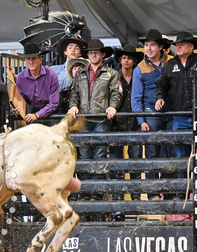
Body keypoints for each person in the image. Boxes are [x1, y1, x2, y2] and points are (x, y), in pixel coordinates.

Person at [68, 39, 122, 200]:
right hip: (84, 119)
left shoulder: (111, 73)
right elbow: (74, 93)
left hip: (101, 119)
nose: (93, 55)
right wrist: (73, 106)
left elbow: (116, 93)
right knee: (84, 156)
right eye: (90, 52)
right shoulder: (80, 74)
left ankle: (96, 193)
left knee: (99, 155)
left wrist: (113, 106)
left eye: (96, 52)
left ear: (102, 54)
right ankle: (85, 192)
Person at [156, 31, 197, 176]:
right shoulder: (170, 65)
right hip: (180, 115)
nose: (178, 47)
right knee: (180, 154)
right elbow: (162, 85)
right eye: (177, 45)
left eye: (182, 45)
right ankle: (184, 189)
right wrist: (160, 97)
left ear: (191, 46)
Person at [131, 29, 174, 200]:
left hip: (171, 113)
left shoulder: (171, 63)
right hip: (151, 114)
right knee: (151, 152)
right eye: (146, 45)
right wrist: (141, 120)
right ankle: (152, 192)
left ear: (161, 47)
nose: (148, 48)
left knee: (169, 151)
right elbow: (136, 98)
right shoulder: (139, 69)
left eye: (152, 45)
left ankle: (169, 190)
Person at [111, 45, 144, 201]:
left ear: (134, 61)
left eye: (130, 58)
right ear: (120, 60)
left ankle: (136, 194)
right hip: (117, 123)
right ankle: (118, 195)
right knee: (117, 160)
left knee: (135, 159)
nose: (127, 60)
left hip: (135, 123)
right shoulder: (114, 78)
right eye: (124, 57)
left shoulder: (139, 76)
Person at [7, 43, 59, 125]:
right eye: (28, 59)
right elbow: (22, 100)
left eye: (34, 58)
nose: (31, 61)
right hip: (33, 116)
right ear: (25, 60)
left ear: (40, 59)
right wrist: (17, 109)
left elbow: (54, 103)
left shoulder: (52, 75)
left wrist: (37, 115)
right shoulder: (21, 78)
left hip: (53, 116)